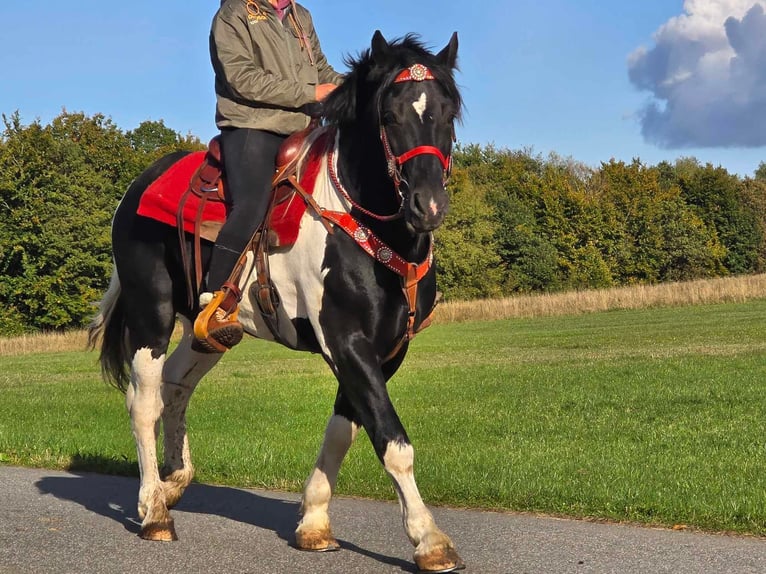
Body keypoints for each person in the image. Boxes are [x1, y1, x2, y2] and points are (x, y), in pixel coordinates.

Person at [195, 0, 342, 352]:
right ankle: (215, 303)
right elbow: (241, 78)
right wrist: (310, 94)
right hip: (252, 126)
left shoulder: (299, 14)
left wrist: (360, 85)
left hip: (303, 127)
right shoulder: (234, 13)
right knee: (251, 204)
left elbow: (320, 69)